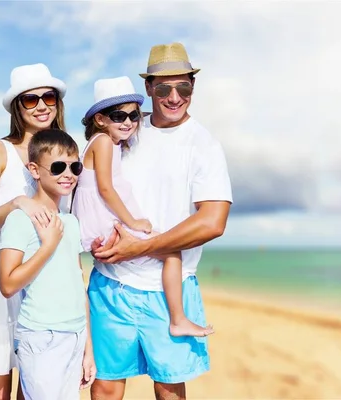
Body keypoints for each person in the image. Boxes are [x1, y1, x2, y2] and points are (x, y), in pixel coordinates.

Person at [88, 42, 233, 400]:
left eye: (183, 87)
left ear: (192, 89)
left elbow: (213, 221)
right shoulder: (124, 131)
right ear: (148, 88)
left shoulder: (203, 145)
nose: (174, 96)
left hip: (168, 290)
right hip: (111, 284)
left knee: (169, 387)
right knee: (105, 386)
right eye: (164, 87)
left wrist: (139, 246)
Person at [72, 76, 214, 338]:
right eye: (118, 116)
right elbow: (105, 188)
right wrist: (133, 221)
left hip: (101, 218)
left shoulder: (109, 140)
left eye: (133, 116)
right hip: (105, 219)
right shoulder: (103, 143)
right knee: (171, 253)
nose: (127, 122)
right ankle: (178, 319)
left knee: (167, 251)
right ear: (100, 120)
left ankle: (176, 318)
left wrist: (150, 115)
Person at [0, 63, 69, 400]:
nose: (41, 105)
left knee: (36, 385)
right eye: (30, 99)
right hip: (1, 273)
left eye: (48, 97)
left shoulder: (63, 152)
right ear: (16, 106)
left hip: (46, 271)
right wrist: (16, 203)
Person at [0, 128, 96, 399]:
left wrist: (88, 349)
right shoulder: (19, 219)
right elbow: (7, 284)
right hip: (42, 337)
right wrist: (48, 246)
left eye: (75, 166)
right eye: (57, 166)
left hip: (75, 335)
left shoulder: (71, 222)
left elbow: (79, 284)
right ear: (35, 169)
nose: (68, 174)